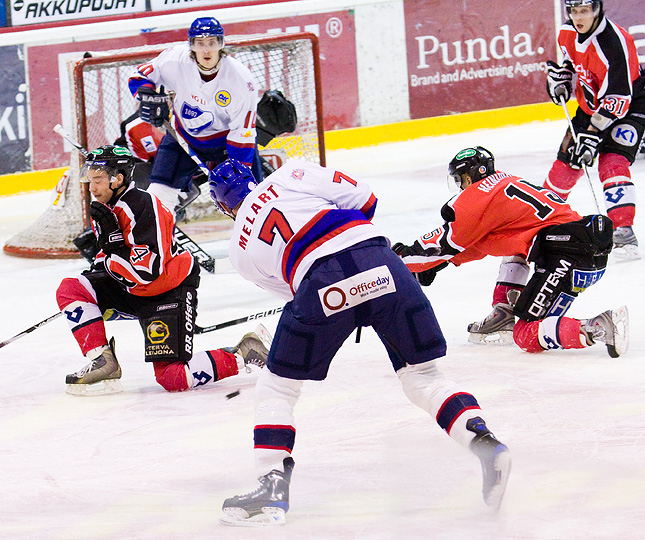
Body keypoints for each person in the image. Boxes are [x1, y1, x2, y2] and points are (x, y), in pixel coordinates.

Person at [208, 158, 511, 526]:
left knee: (278, 388)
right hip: (382, 260)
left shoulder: (239, 250)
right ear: (254, 178)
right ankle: (485, 443)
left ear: (225, 206)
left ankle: (271, 487)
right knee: (424, 377)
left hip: (322, 283)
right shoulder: (290, 173)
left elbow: (295, 291)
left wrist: (346, 299)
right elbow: (366, 200)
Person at [56, 145, 272, 395]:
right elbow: (111, 255)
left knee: (174, 378)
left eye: (98, 180)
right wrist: (102, 265)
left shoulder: (143, 206)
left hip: (168, 290)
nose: (91, 188)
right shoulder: (104, 208)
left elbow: (148, 271)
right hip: (133, 288)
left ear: (119, 178)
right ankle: (103, 360)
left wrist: (111, 253)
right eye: (89, 180)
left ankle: (245, 351)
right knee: (72, 289)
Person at [393, 146, 628, 358]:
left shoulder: (477, 196)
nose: (460, 186)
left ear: (468, 176)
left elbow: (445, 243)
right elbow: (484, 244)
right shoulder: (506, 185)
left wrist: (401, 259)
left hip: (567, 257)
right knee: (515, 250)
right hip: (585, 253)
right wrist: (440, 264)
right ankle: (504, 313)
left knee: (526, 335)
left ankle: (599, 327)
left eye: (460, 179)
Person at [128, 16, 263, 217]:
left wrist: (239, 179)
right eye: (200, 43)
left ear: (221, 44)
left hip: (226, 144)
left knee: (250, 203)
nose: (206, 49)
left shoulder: (241, 81)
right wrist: (147, 95)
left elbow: (241, 135)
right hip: (181, 137)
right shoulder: (174, 59)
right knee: (157, 199)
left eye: (212, 42)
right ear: (191, 45)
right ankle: (158, 246)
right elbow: (139, 75)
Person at [544, 0, 645, 260]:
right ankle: (540, 222)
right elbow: (571, 62)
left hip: (630, 105)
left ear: (597, 10)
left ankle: (624, 233)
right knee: (565, 168)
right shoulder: (566, 34)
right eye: (574, 11)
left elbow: (619, 99)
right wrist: (562, 81)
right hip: (590, 107)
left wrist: (592, 133)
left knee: (612, 162)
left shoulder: (615, 43)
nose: (579, 17)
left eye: (585, 11)